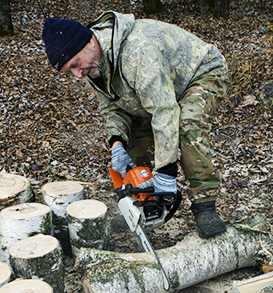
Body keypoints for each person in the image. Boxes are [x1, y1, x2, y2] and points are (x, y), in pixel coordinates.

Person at [42, 12, 230, 238]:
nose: (77, 74)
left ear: (90, 41)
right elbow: (112, 108)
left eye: (75, 65)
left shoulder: (137, 51)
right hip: (157, 90)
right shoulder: (94, 63)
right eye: (69, 71)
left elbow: (164, 110)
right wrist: (117, 144)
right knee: (133, 136)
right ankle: (147, 201)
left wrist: (166, 173)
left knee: (186, 125)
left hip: (199, 73)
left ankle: (205, 206)